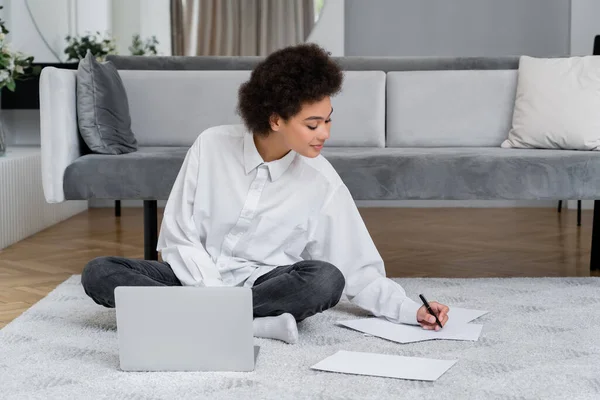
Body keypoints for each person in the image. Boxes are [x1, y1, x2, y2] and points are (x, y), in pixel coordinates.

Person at [81, 43, 449, 344]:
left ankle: (187, 321)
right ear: (275, 119)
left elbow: (358, 270)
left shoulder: (322, 181)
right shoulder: (210, 145)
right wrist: (213, 295)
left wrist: (408, 310)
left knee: (326, 279)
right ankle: (251, 325)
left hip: (262, 284)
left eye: (328, 119)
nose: (325, 134)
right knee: (99, 272)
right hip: (190, 277)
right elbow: (178, 237)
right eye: (312, 124)